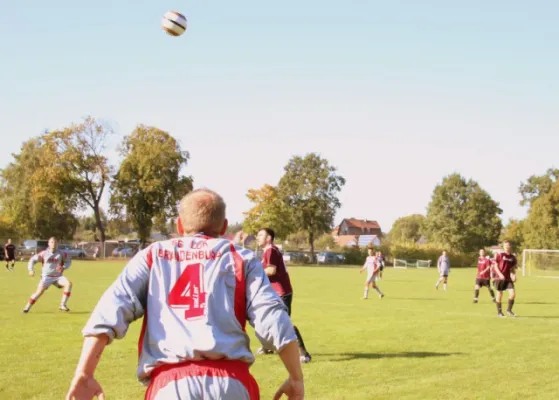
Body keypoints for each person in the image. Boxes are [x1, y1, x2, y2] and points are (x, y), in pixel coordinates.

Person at [66, 189, 304, 400]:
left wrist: (85, 373)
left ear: (180, 226)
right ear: (223, 227)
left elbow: (111, 309)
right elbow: (273, 317)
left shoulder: (153, 255)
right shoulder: (243, 258)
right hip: (232, 383)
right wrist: (295, 377)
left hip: (170, 384)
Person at [256, 228, 312, 364]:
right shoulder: (268, 251)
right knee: (266, 320)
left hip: (281, 293)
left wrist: (254, 272)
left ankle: (304, 353)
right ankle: (268, 347)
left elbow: (271, 270)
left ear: (268, 238)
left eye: (260, 235)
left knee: (284, 322)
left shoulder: (270, 250)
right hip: (273, 293)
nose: (257, 237)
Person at [23, 237, 73, 313]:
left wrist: (63, 267)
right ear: (48, 244)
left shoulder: (62, 253)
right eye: (52, 242)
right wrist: (31, 270)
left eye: (55, 242)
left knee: (68, 284)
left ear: (57, 244)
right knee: (39, 292)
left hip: (58, 277)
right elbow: (32, 260)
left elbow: (68, 261)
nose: (54, 244)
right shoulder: (44, 253)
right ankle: (27, 308)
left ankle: (62, 305)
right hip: (46, 277)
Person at [492, 240, 517, 318]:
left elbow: (512, 268)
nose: (507, 246)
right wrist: (500, 274)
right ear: (503, 246)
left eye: (508, 245)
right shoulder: (499, 255)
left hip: (508, 278)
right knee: (499, 294)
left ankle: (509, 310)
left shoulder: (513, 257)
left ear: (510, 246)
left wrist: (513, 275)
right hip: (499, 278)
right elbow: (495, 266)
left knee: (512, 294)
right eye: (505, 245)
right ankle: (499, 312)